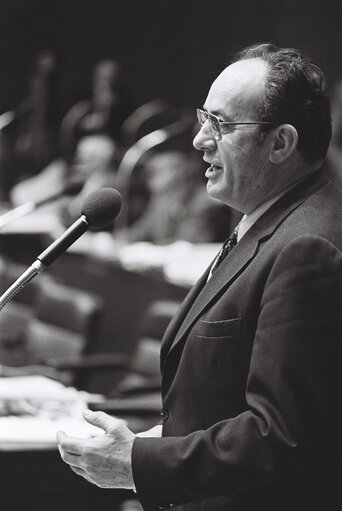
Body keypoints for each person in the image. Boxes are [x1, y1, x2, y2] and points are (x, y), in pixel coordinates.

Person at [56, 43, 342, 511]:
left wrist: (140, 462)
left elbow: (280, 436)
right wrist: (159, 438)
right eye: (203, 117)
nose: (199, 139)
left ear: (281, 143)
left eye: (222, 125)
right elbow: (225, 399)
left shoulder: (307, 249)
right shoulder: (268, 222)